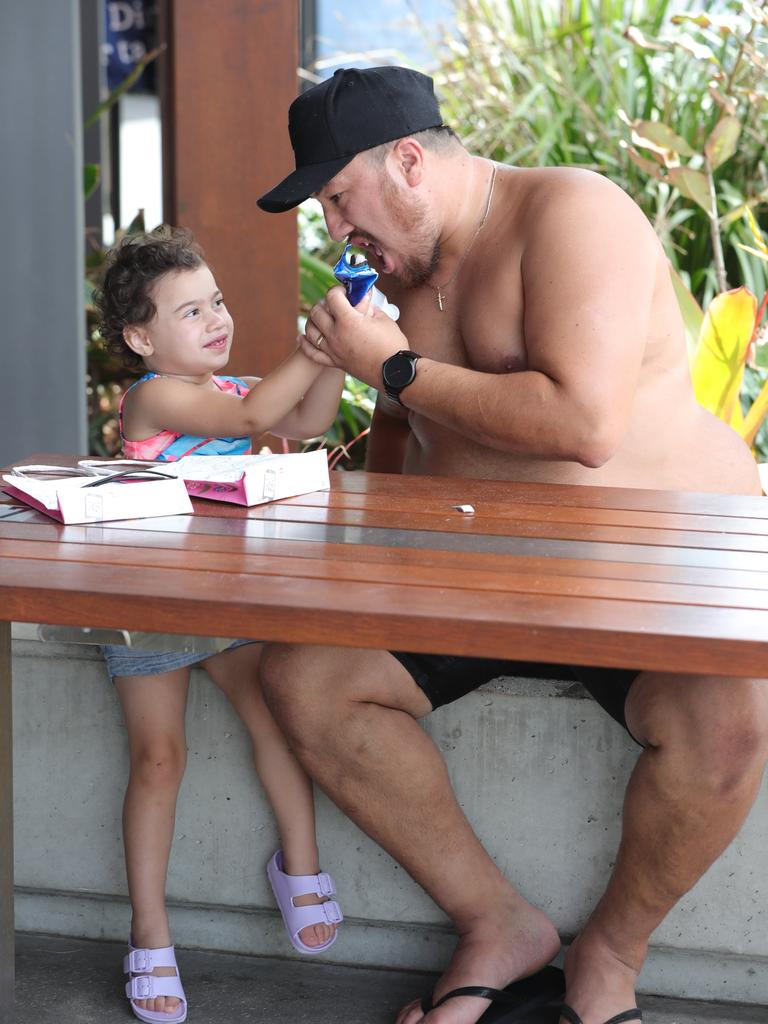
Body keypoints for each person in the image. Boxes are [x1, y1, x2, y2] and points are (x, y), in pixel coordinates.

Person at [254, 66, 768, 1024]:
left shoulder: (574, 213)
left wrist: (394, 365)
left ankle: (608, 960)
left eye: (338, 199)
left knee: (728, 727)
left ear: (409, 161)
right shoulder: (397, 274)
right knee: (305, 677)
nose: (334, 230)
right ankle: (499, 925)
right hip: (480, 576)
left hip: (648, 575)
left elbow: (585, 423)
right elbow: (403, 432)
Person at [95, 226, 345, 1023]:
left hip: (227, 598)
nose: (216, 319)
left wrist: (336, 355)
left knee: (277, 718)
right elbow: (253, 421)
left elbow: (302, 420)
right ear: (141, 337)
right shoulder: (154, 396)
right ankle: (150, 934)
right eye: (190, 310)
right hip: (147, 602)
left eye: (219, 302)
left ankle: (299, 868)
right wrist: (316, 340)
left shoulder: (233, 385)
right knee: (160, 759)